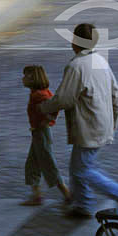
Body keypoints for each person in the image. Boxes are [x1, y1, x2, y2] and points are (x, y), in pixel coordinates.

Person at [40, 23, 118, 216]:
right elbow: (116, 94)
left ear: (75, 41)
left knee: (81, 169)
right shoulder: (100, 60)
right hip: (101, 124)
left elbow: (64, 99)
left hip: (88, 127)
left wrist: (43, 107)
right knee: (80, 166)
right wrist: (113, 123)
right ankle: (83, 204)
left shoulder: (76, 66)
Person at [21, 65, 71, 206]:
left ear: (32, 78)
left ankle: (67, 193)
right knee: (32, 164)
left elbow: (54, 107)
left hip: (41, 133)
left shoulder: (39, 95)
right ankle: (37, 196)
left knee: (48, 163)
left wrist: (47, 121)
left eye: (25, 76)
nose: (23, 78)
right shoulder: (38, 92)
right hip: (37, 132)